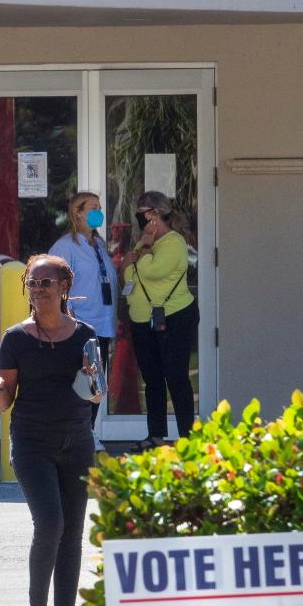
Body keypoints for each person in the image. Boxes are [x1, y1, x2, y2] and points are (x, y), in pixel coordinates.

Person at [0, 254, 102, 606]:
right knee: (50, 524)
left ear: (64, 287)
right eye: (32, 282)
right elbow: (6, 399)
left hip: (77, 443)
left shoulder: (85, 335)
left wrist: (94, 390)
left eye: (46, 282)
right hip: (31, 444)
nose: (38, 289)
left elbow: (97, 392)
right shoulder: (15, 338)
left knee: (73, 534)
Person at [121, 191, 198, 450]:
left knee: (176, 377)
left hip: (174, 316)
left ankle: (188, 435)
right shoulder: (144, 243)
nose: (140, 219)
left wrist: (141, 251)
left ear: (154, 214)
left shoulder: (173, 242)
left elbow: (151, 270)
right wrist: (140, 253)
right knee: (152, 380)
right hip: (142, 319)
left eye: (142, 213)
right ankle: (156, 435)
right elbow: (128, 275)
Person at [48, 191, 116, 450]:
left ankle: (87, 432)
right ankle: (77, 434)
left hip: (103, 324)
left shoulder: (98, 245)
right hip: (81, 325)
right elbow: (54, 280)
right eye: (93, 207)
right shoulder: (67, 246)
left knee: (97, 382)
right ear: (77, 213)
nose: (99, 211)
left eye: (100, 206)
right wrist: (67, 313)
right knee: (82, 380)